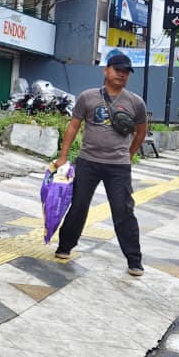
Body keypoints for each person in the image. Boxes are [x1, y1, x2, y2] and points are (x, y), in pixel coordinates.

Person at [50, 53, 150, 276]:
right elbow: (73, 126)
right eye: (117, 70)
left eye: (126, 72)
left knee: (123, 211)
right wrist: (63, 156)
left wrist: (128, 155)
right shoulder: (88, 97)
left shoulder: (135, 102)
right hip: (88, 162)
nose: (121, 74)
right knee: (77, 207)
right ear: (106, 70)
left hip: (118, 167)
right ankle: (64, 247)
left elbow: (141, 133)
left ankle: (134, 260)